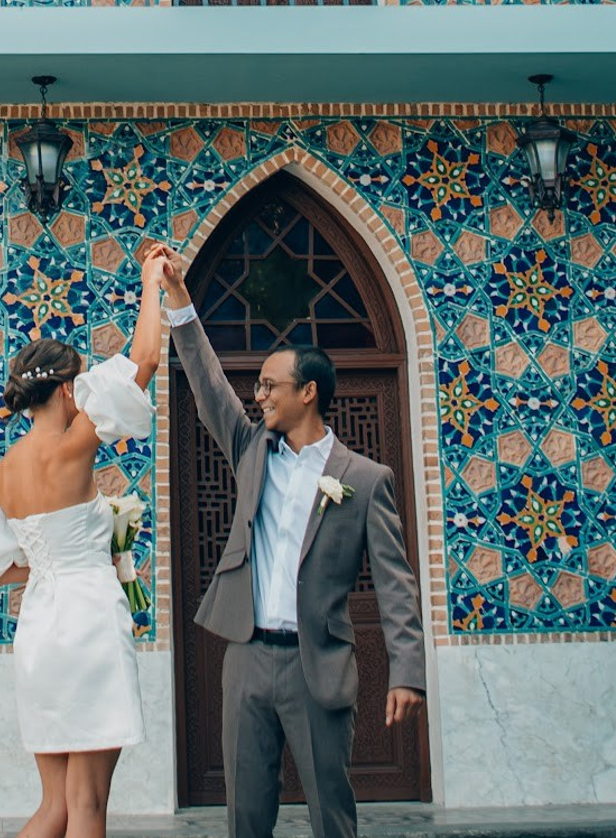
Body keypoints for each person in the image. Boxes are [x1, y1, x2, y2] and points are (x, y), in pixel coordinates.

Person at [150, 242, 425, 838]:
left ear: (308, 392)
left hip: (317, 663)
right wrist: (178, 297)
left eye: (271, 385)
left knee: (332, 811)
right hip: (247, 657)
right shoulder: (252, 451)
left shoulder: (364, 480)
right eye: (259, 386)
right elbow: (209, 384)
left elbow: (395, 583)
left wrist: (407, 670)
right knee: (246, 816)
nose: (260, 395)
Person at [0, 246, 167, 838]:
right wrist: (150, 279)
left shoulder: (4, 472)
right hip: (88, 623)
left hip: (41, 630)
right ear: (69, 390)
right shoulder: (73, 445)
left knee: (56, 807)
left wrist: (46, 567)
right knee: (88, 805)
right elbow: (146, 357)